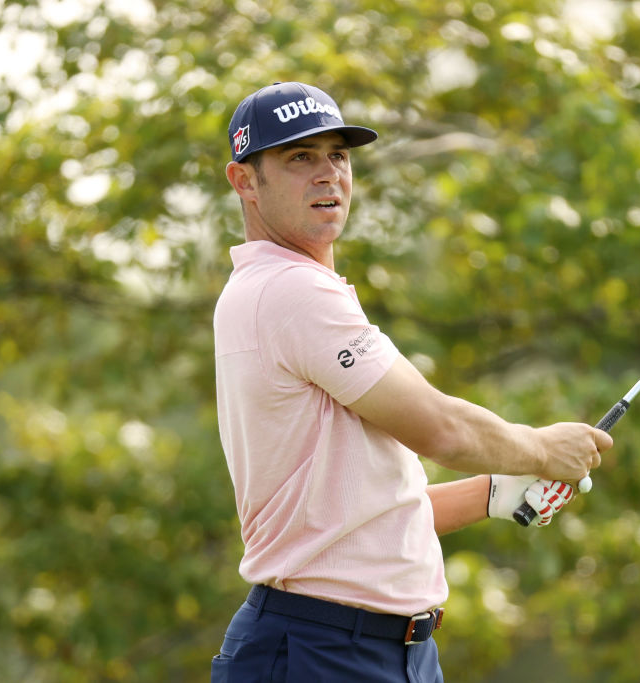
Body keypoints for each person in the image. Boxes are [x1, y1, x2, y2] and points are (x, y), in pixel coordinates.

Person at [211, 81, 613, 682]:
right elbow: (441, 429)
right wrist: (543, 449)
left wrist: (492, 493)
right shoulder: (291, 290)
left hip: (384, 651)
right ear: (245, 180)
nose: (328, 174)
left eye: (338, 156)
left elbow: (348, 521)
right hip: (321, 651)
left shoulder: (270, 290)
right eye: (300, 158)